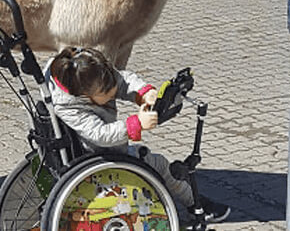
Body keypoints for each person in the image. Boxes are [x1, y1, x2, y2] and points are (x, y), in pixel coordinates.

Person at [45, 46, 231, 223]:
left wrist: (143, 92)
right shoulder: (69, 106)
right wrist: (136, 124)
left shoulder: (84, 72)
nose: (112, 93)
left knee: (148, 155)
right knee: (160, 165)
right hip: (100, 156)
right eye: (106, 93)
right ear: (83, 96)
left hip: (103, 149)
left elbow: (119, 80)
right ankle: (195, 206)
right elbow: (100, 134)